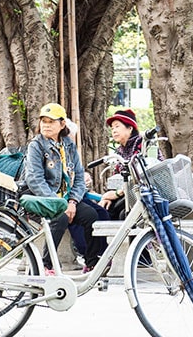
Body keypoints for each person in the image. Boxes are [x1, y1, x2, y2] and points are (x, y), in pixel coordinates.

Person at [24, 102, 103, 274]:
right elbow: (35, 180)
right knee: (59, 218)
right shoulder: (36, 146)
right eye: (43, 121)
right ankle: (45, 265)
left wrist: (73, 201)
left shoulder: (68, 145)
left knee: (91, 215)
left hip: (67, 199)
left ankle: (91, 263)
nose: (45, 125)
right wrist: (59, 203)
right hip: (42, 200)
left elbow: (79, 177)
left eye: (51, 121)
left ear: (62, 124)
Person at [98, 109, 146, 219]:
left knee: (120, 214)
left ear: (130, 128)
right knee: (104, 209)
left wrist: (116, 194)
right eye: (112, 128)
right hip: (127, 195)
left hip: (143, 196)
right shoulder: (119, 151)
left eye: (117, 126)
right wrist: (108, 196)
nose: (114, 131)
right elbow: (116, 177)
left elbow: (141, 176)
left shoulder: (141, 144)